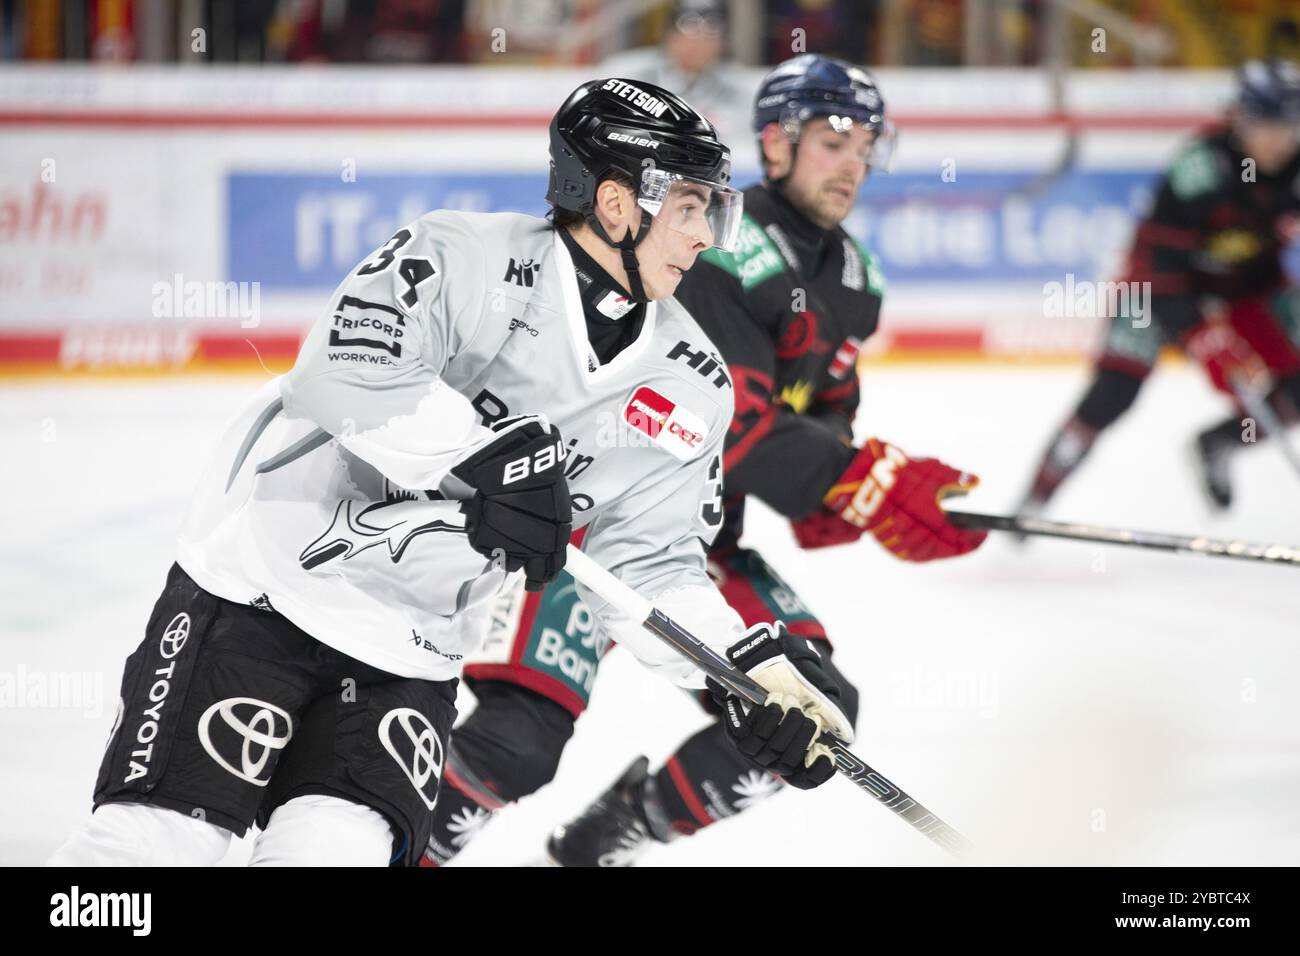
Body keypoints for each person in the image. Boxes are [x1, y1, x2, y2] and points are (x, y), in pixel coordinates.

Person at [47, 77, 852, 867]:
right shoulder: (460, 255)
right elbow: (341, 376)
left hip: (414, 655)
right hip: (260, 596)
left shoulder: (690, 380)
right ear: (616, 205)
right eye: (689, 206)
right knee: (150, 849)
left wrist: (748, 672)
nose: (707, 234)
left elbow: (650, 564)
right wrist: (480, 460)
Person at [425, 55, 986, 868]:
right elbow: (733, 431)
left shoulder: (856, 279)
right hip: (576, 528)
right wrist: (859, 480)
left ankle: (622, 829)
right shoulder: (714, 247)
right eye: (833, 139)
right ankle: (402, 847)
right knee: (518, 739)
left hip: (693, 544)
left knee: (812, 716)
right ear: (776, 141)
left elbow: (823, 422)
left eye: (868, 144)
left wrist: (854, 496)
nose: (854, 162)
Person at [1020, 59, 1300, 516]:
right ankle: (1035, 498)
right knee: (1113, 390)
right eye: (1263, 124)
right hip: (1158, 291)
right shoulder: (1201, 168)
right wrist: (1201, 335)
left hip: (1249, 289)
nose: (1276, 140)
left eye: (1288, 125)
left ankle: (1222, 443)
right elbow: (1156, 266)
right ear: (1238, 118)